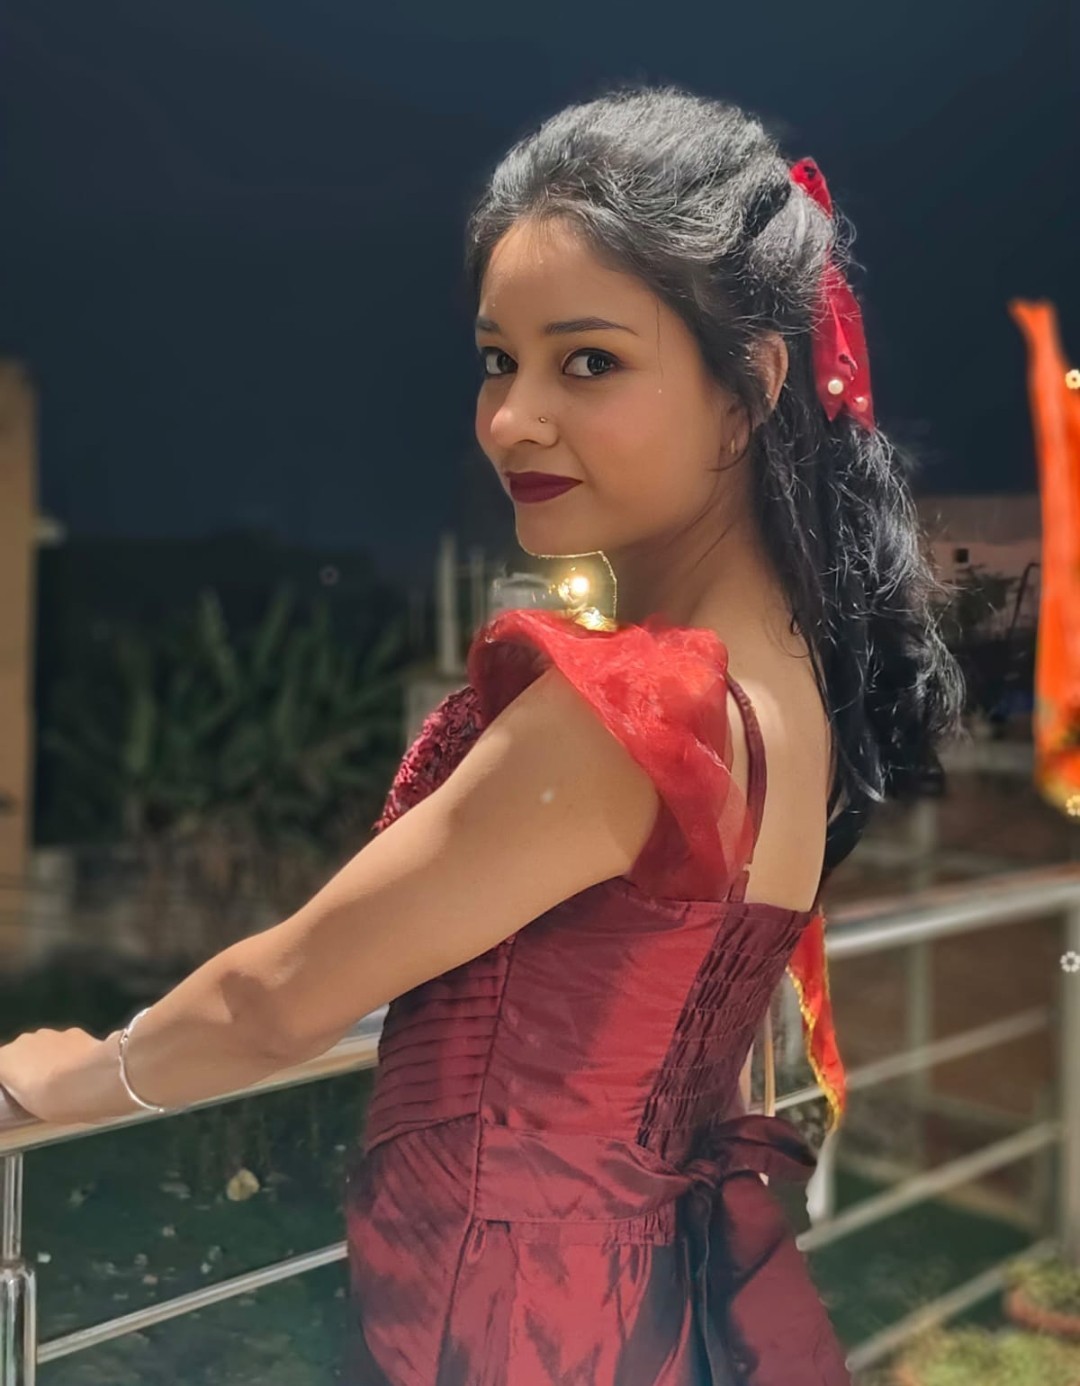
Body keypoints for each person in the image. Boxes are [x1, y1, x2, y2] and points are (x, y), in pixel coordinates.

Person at [0, 86, 965, 1384]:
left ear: (753, 388)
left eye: (589, 361)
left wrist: (78, 1076)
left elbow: (279, 997)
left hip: (524, 1326)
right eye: (498, 360)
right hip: (644, 1301)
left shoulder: (637, 712)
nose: (512, 419)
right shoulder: (785, 680)